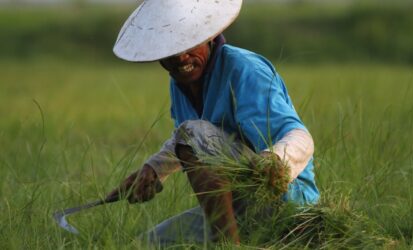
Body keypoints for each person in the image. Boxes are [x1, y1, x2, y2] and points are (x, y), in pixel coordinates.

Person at [107, 0, 319, 245]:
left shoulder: (244, 69)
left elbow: (299, 136)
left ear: (210, 36)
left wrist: (275, 161)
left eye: (188, 44)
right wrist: (154, 168)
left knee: (192, 132)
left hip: (284, 203)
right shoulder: (181, 80)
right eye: (170, 50)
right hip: (237, 208)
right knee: (146, 245)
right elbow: (197, 140)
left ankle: (227, 245)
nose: (180, 57)